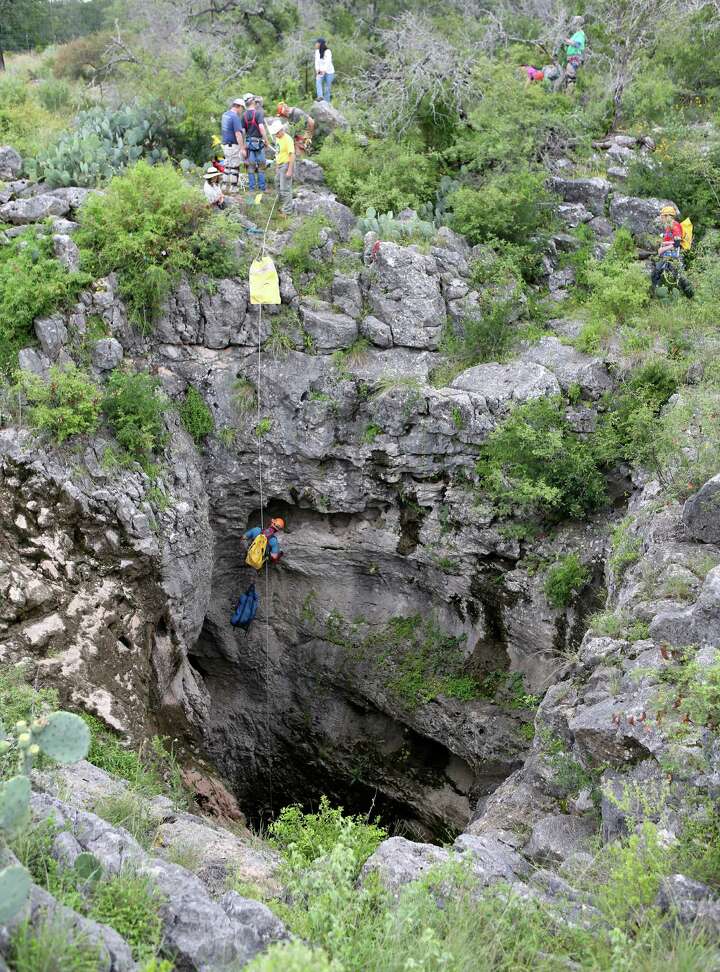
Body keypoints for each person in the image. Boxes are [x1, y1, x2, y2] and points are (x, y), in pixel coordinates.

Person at [651, 205, 693, 299]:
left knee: (679, 277)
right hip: (668, 255)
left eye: (662, 216)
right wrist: (661, 245)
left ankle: (691, 296)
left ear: (668, 216)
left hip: (676, 256)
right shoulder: (668, 227)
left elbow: (677, 243)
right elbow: (670, 241)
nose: (661, 218)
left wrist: (663, 249)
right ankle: (654, 296)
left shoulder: (676, 226)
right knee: (656, 272)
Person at [240, 93, 270, 193]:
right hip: (259, 143)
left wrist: (244, 145)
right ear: (253, 101)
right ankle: (262, 188)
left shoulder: (243, 115)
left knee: (250, 167)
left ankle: (252, 189)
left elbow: (243, 132)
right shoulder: (258, 113)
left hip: (249, 144)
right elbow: (261, 128)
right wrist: (266, 140)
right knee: (261, 166)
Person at [220, 97, 245, 191]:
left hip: (225, 145)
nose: (242, 110)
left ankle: (224, 187)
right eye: (242, 108)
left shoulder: (225, 115)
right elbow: (238, 134)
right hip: (233, 145)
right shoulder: (235, 117)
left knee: (227, 166)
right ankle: (233, 188)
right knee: (234, 166)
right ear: (238, 106)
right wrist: (242, 148)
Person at [273, 119, 295, 217]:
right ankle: (283, 206)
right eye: (275, 134)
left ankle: (287, 211)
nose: (276, 135)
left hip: (286, 165)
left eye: (277, 133)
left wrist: (290, 170)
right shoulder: (278, 138)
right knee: (277, 183)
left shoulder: (288, 139)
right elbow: (278, 153)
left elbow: (292, 155)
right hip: (280, 164)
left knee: (285, 188)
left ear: (281, 130)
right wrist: (277, 166)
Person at [563, 16, 586, 89]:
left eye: (574, 22)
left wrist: (567, 41)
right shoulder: (576, 34)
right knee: (569, 76)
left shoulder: (580, 34)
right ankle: (568, 94)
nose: (573, 24)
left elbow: (577, 44)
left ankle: (569, 96)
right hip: (571, 57)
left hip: (575, 58)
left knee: (570, 76)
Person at [314, 38, 335, 102]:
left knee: (327, 88)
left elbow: (328, 62)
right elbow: (316, 62)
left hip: (329, 72)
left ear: (320, 43)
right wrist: (317, 69)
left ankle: (327, 103)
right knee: (318, 82)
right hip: (320, 71)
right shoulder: (317, 52)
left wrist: (324, 70)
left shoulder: (328, 51)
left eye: (316, 43)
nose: (315, 44)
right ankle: (320, 97)